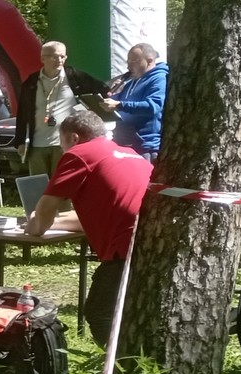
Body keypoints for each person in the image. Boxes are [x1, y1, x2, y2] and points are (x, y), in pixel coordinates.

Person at [23, 111, 152, 347]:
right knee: (132, 311)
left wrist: (35, 225)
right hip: (152, 240)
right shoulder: (130, 154)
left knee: (100, 314)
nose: (62, 149)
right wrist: (54, 221)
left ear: (73, 138)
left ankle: (123, 364)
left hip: (125, 247)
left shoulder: (80, 154)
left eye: (61, 143)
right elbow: (99, 214)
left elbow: (45, 210)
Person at [16, 41, 107, 177]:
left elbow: (104, 91)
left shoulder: (75, 77)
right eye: (54, 56)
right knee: (38, 185)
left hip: (66, 144)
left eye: (62, 56)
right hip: (37, 145)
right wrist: (20, 141)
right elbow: (22, 113)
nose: (59, 60)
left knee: (63, 184)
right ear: (43, 58)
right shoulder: (31, 82)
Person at [104, 43, 167, 162]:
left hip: (144, 147)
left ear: (149, 61)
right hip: (123, 143)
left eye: (133, 61)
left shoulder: (158, 78)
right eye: (128, 62)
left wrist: (119, 105)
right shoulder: (130, 82)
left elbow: (153, 107)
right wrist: (113, 95)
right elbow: (117, 105)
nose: (129, 66)